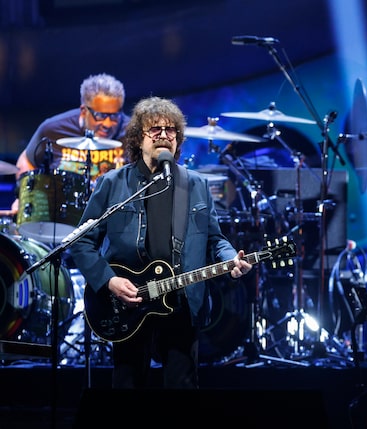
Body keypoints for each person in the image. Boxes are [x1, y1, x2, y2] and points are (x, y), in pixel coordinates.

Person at [69, 96, 252, 388]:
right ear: (138, 138)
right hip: (128, 304)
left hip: (180, 303)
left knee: (181, 393)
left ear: (178, 141)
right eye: (155, 130)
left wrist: (231, 257)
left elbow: (215, 239)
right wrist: (109, 281)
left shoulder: (195, 184)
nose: (164, 136)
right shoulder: (114, 183)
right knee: (127, 390)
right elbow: (80, 243)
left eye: (171, 131)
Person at [12, 73, 129, 211]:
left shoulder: (131, 132)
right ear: (83, 110)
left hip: (114, 213)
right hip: (63, 214)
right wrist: (25, 197)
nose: (108, 124)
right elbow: (26, 161)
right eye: (100, 115)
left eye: (114, 116)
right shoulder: (53, 129)